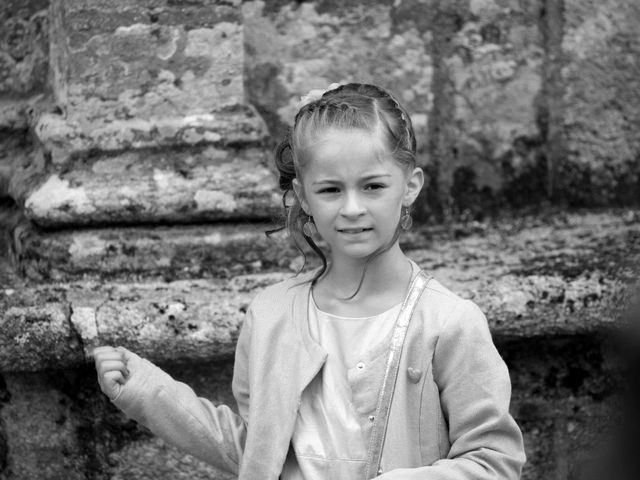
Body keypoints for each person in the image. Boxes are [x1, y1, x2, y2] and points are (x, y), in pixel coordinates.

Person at [93, 82, 526, 479]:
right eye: (331, 190)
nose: (352, 207)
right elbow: (258, 451)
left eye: (373, 186)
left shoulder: (449, 322)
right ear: (303, 196)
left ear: (409, 186)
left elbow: (495, 461)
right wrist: (149, 392)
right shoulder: (270, 315)